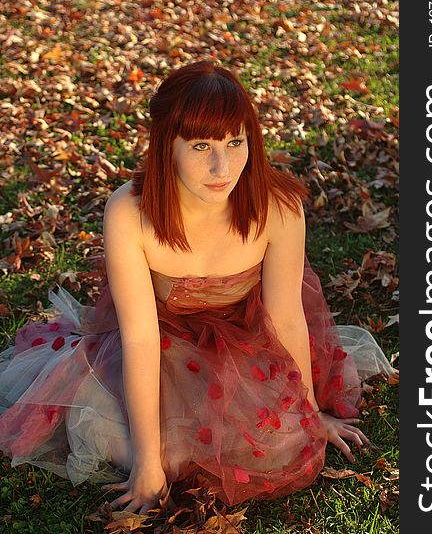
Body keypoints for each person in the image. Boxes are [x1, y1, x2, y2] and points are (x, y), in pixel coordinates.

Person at [0, 60, 394, 515]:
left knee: (279, 447)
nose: (221, 166)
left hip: (247, 345)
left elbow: (286, 317)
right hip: (161, 346)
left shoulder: (278, 208)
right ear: (168, 144)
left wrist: (306, 413)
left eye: (234, 143)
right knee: (154, 455)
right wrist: (147, 462)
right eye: (201, 145)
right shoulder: (130, 213)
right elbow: (141, 337)